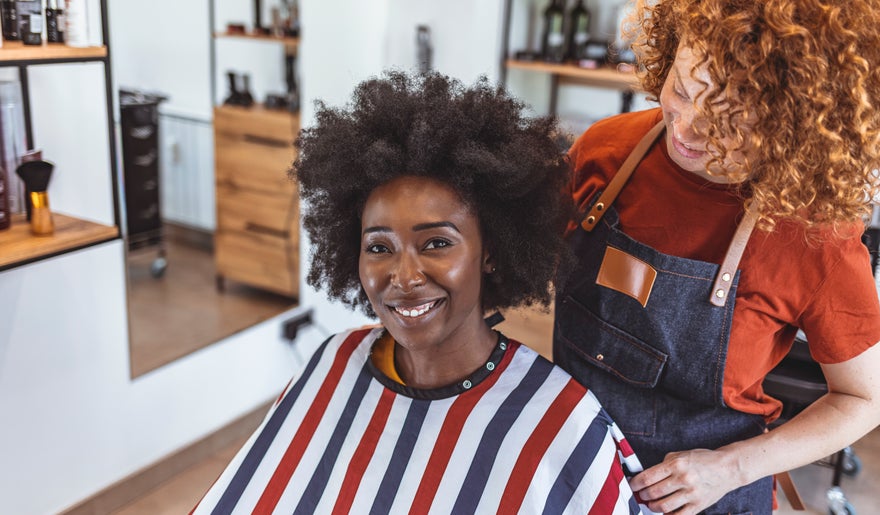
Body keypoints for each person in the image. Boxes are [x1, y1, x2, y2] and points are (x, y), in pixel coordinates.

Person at [194, 71, 656, 514]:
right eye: (379, 247)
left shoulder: (561, 422)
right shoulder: (333, 362)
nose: (404, 275)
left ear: (491, 250)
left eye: (436, 243)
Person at [553, 0, 880, 513]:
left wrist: (731, 468)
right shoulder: (604, 152)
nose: (687, 130)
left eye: (729, 120)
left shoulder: (812, 235)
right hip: (571, 464)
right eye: (682, 88)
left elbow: (864, 400)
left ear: (797, 122)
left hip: (708, 492)